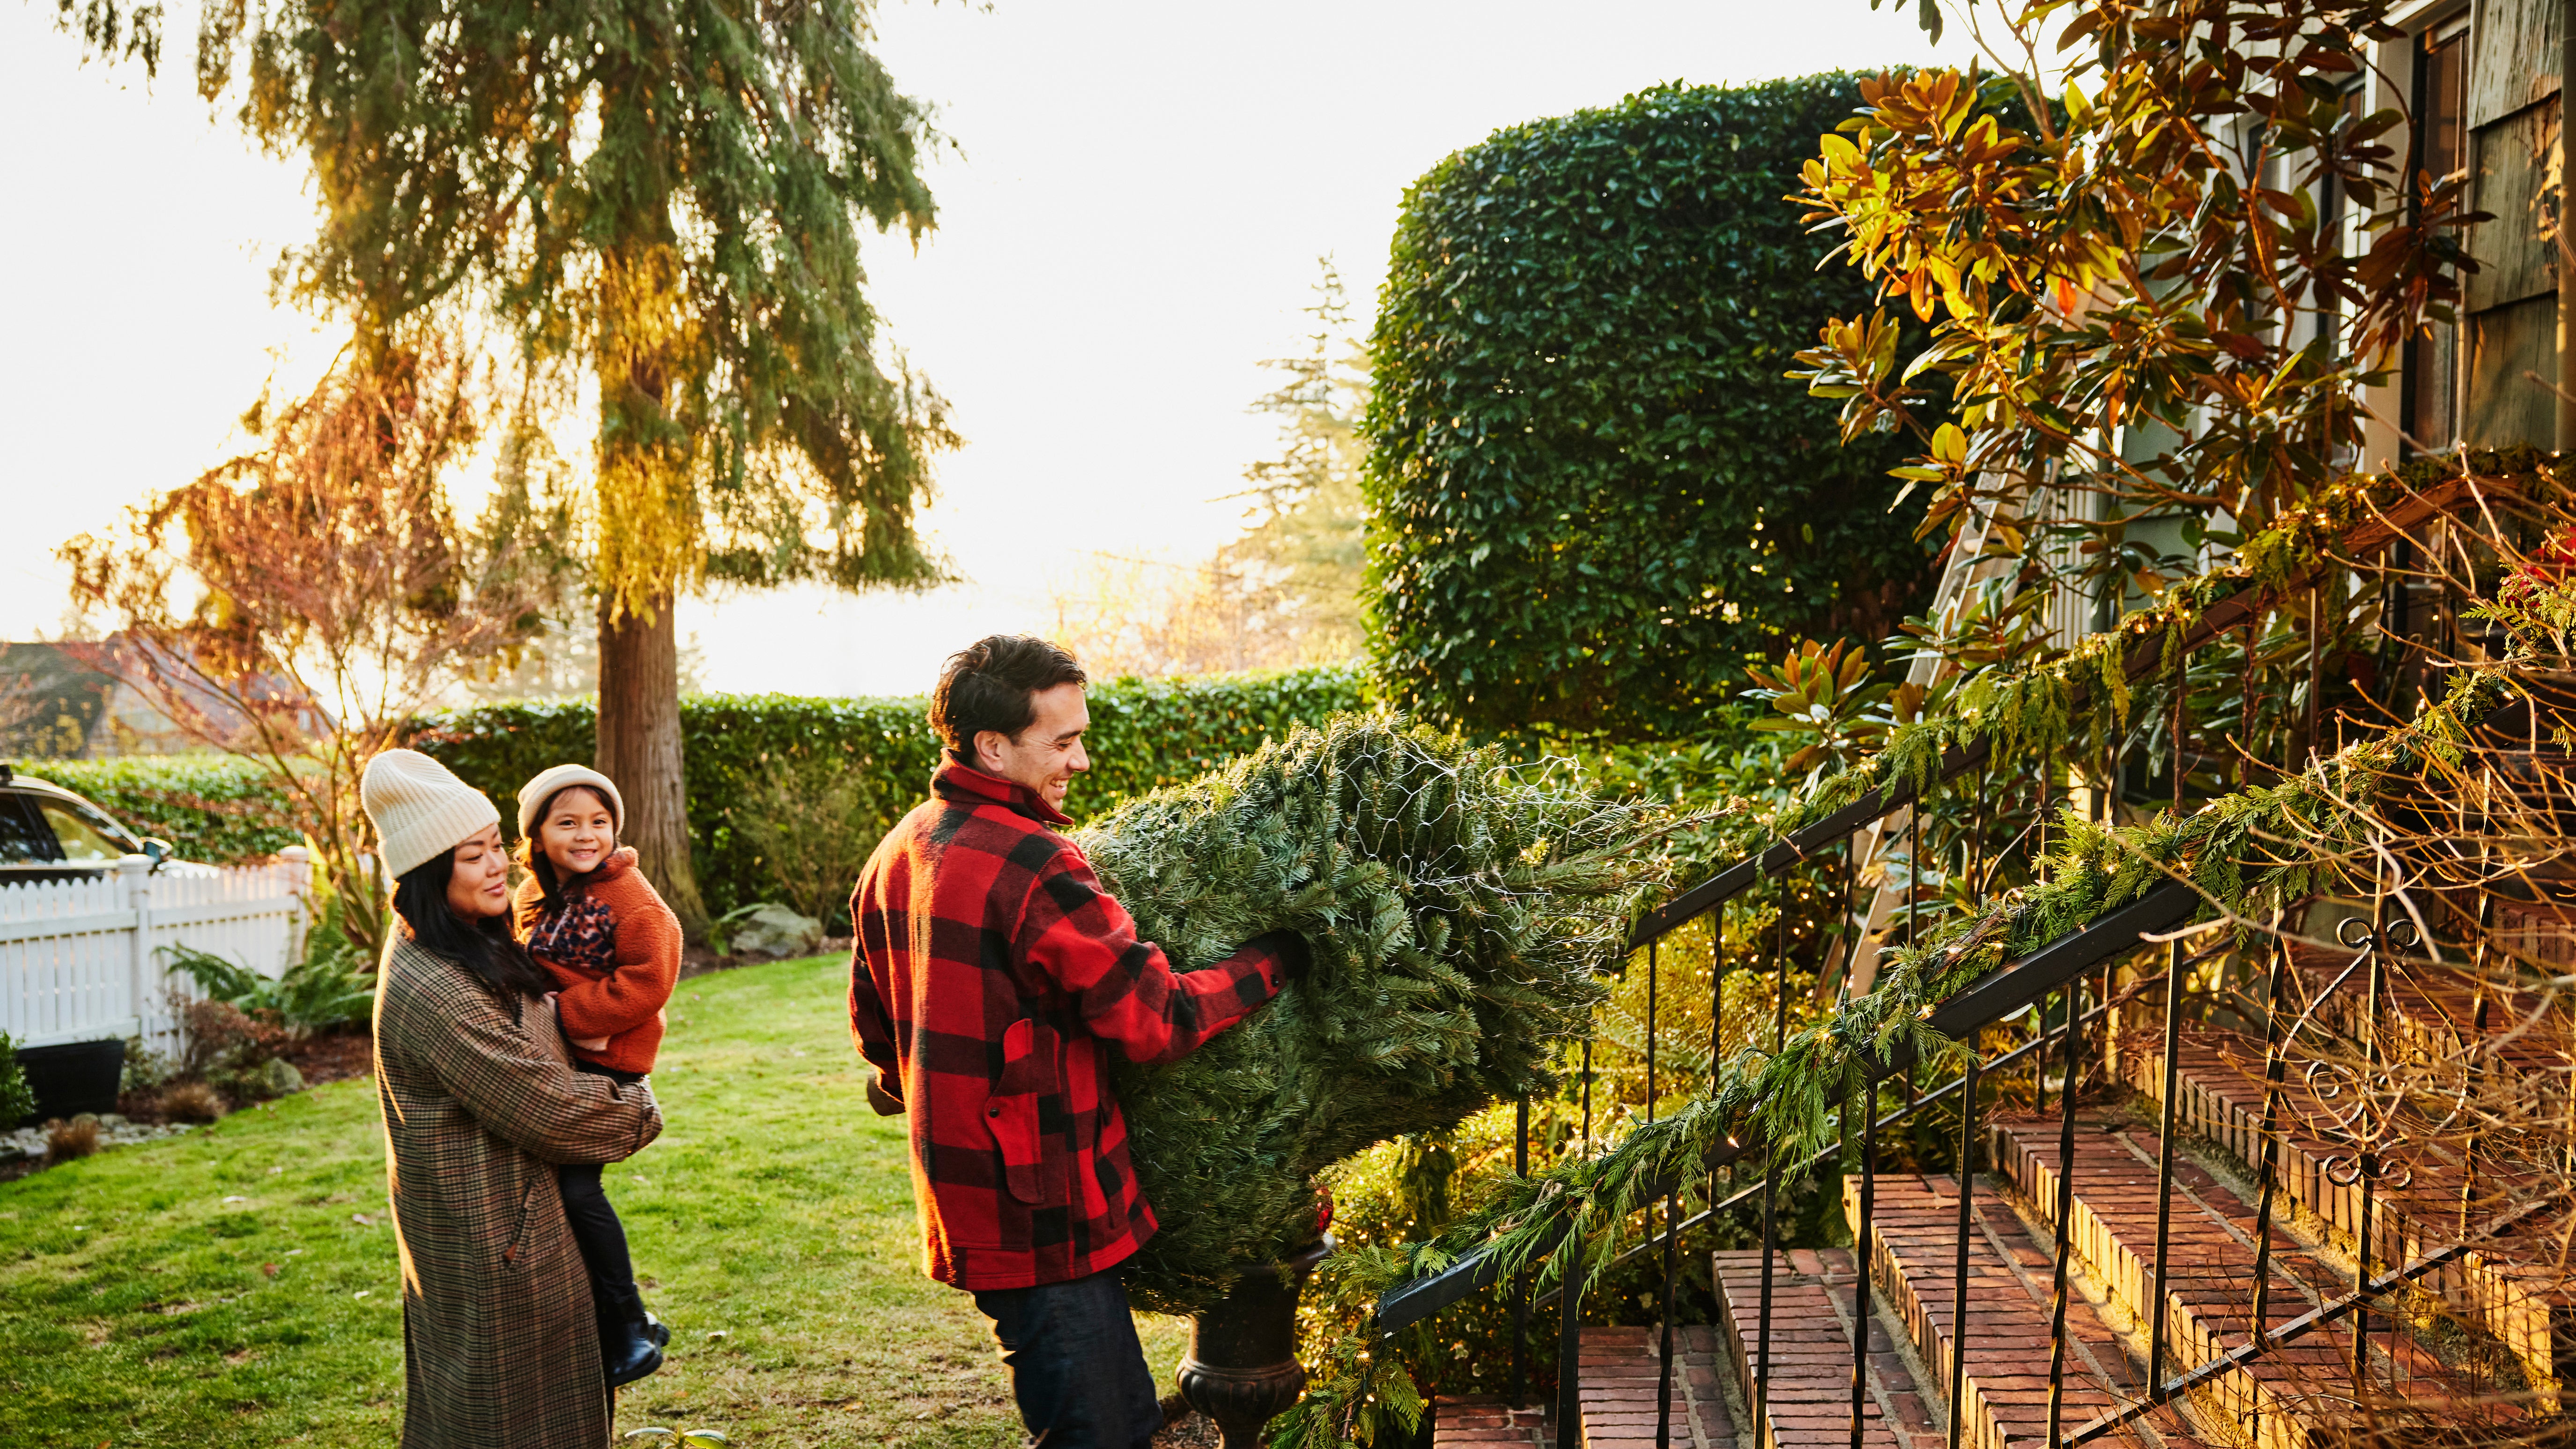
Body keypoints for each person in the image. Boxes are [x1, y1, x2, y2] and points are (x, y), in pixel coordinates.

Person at [849, 634, 1309, 1449]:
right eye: (1062, 742)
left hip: (969, 1195)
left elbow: (875, 1033)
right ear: (993, 746)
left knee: (1083, 1415)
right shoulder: (1036, 863)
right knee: (1105, 1431)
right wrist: (1272, 962)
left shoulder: (901, 846)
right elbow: (1156, 1018)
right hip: (1044, 1208)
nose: (1084, 760)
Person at [362, 748, 664, 1449]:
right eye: (474, 855)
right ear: (430, 872)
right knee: (508, 1427)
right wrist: (639, 1104)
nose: (498, 864)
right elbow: (551, 1109)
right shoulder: (437, 987)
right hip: (495, 1245)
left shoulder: (466, 939)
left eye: (497, 844)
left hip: (516, 1226)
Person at [511, 762, 683, 1387]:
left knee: (580, 1192)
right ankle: (625, 1322)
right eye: (567, 823)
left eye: (599, 822)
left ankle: (630, 1323)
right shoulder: (536, 897)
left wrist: (565, 1012)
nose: (587, 835)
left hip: (607, 1065)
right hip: (566, 1058)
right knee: (563, 1191)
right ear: (537, 832)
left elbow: (650, 977)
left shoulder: (629, 895)